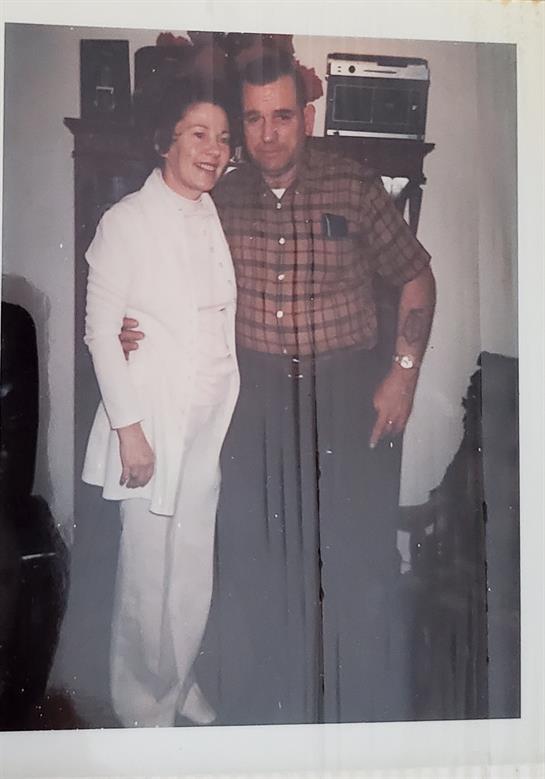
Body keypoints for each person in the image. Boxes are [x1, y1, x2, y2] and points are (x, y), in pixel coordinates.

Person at [121, 52, 436, 725]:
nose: (268, 134)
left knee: (356, 566)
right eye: (254, 119)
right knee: (254, 566)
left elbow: (414, 275)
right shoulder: (219, 198)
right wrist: (128, 327)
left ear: (307, 117)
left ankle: (365, 721)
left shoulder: (351, 187)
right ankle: (266, 719)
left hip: (346, 395)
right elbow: (167, 280)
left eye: (282, 116)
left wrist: (402, 377)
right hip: (255, 399)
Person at [82, 77, 239, 728]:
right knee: (149, 574)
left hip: (205, 424)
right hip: (149, 424)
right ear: (164, 140)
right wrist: (130, 430)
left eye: (223, 138)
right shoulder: (126, 221)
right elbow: (99, 329)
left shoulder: (209, 212)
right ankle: (142, 703)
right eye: (198, 134)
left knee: (191, 566)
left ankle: (178, 680)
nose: (215, 149)